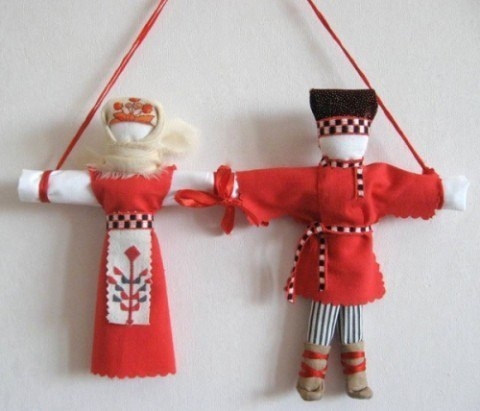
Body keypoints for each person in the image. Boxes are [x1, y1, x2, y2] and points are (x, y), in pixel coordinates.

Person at [176, 89, 469, 399]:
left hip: (355, 261)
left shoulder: (374, 179)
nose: (346, 142)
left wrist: (441, 191)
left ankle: (354, 377)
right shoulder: (315, 180)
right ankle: (311, 378)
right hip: (325, 259)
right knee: (325, 312)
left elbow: (405, 188)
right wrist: (234, 187)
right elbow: (278, 185)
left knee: (350, 312)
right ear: (323, 139)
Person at [18, 97, 214, 378]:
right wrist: (34, 185)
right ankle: (118, 356)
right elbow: (67, 186)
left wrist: (33, 185)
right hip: (122, 245)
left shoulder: (150, 182)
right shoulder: (112, 182)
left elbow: (201, 185)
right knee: (123, 303)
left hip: (134, 245)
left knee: (145, 301)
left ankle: (146, 355)